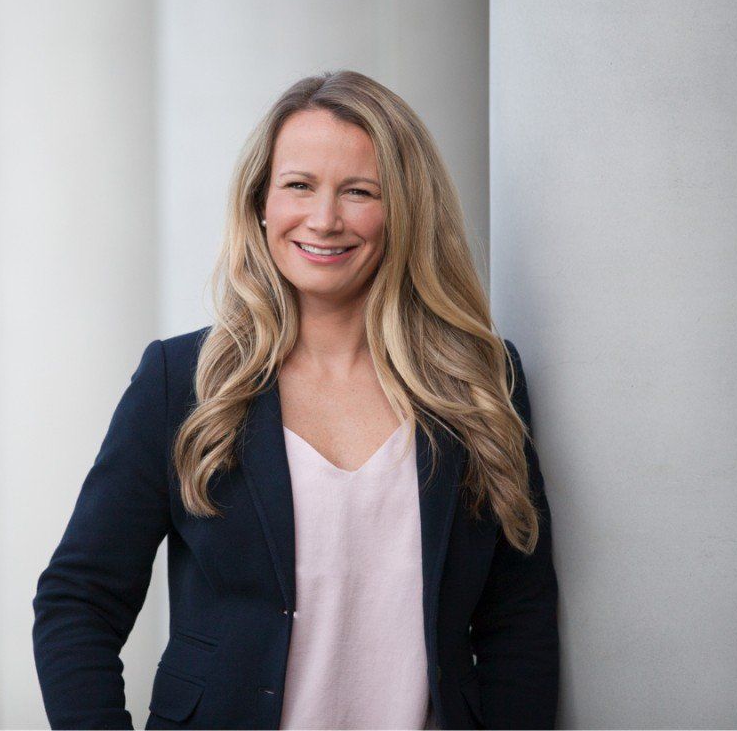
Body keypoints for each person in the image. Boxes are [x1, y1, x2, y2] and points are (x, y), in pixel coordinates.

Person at [32, 70, 559, 730]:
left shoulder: (479, 383)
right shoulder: (183, 382)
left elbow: (518, 621)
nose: (325, 219)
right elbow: (78, 602)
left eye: (359, 191)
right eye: (299, 185)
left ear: (405, 209)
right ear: (261, 202)